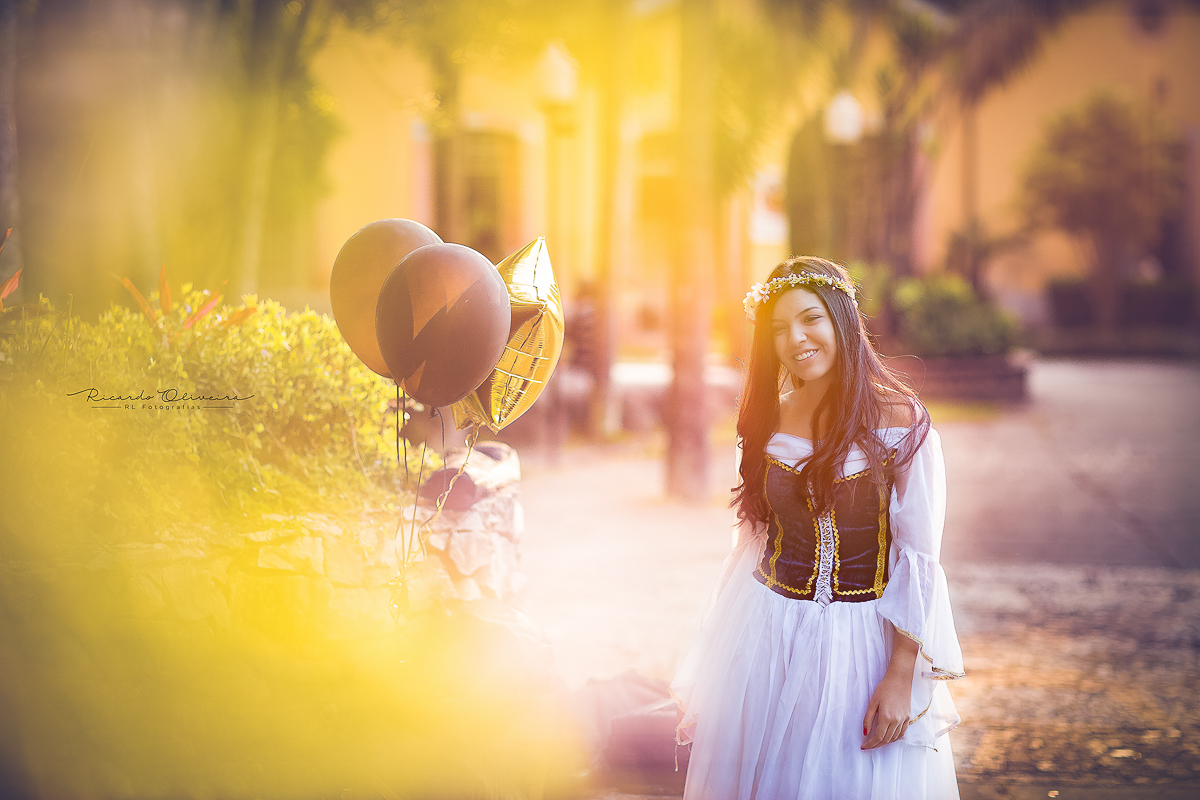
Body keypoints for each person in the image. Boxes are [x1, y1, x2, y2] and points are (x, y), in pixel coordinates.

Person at [671, 257, 964, 800]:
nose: (795, 339)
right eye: (778, 329)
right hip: (766, 631)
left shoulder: (901, 420)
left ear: (842, 322)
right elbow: (754, 538)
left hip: (861, 644)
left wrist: (901, 675)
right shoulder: (768, 417)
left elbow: (919, 557)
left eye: (810, 319)